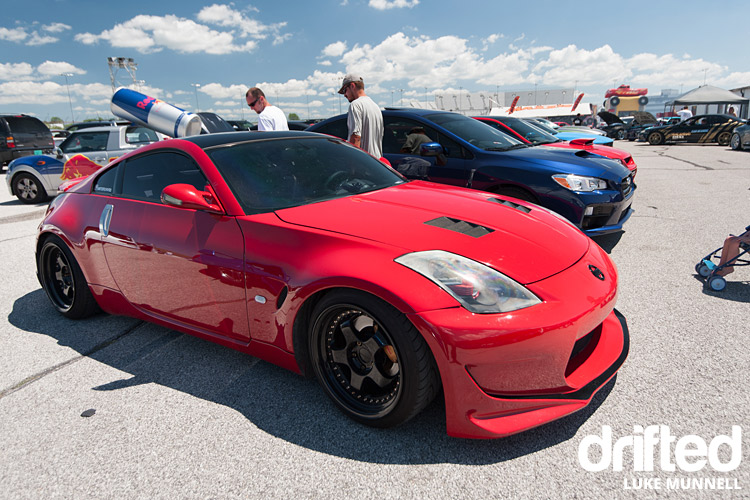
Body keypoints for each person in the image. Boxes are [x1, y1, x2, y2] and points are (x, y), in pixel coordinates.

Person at [338, 73, 383, 158]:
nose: (344, 95)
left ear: (352, 86)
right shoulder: (375, 106)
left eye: (344, 90)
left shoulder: (355, 105)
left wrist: (353, 165)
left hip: (364, 163)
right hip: (377, 163)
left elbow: (356, 137)